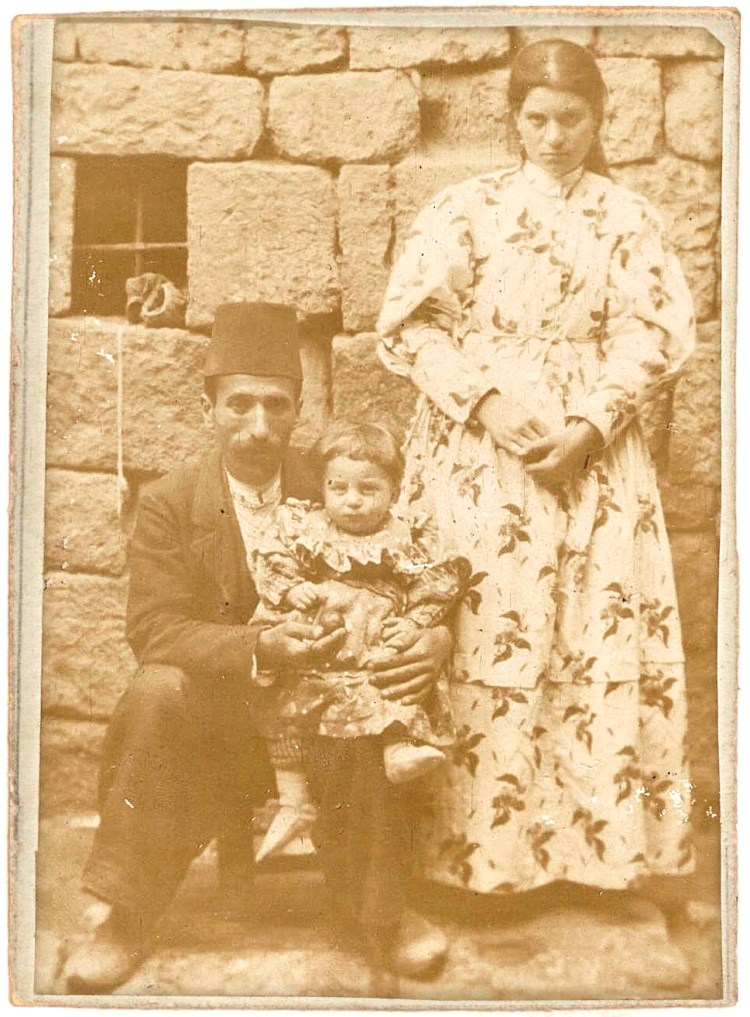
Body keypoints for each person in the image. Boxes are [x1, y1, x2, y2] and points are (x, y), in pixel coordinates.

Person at [376, 38, 696, 930]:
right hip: (480, 461)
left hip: (594, 462)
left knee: (586, 638)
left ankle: (596, 860)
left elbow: (656, 335)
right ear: (512, 118)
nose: (554, 136)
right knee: (485, 632)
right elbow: (409, 329)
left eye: (573, 118)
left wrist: (592, 423)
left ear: (599, 121)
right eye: (537, 117)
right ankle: (468, 863)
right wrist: (484, 401)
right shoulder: (465, 209)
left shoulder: (628, 218)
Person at [63, 302, 452, 993]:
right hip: (218, 723)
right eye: (239, 405)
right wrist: (263, 643)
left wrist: (434, 631)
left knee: (368, 694)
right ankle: (127, 913)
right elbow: (155, 629)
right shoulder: (173, 501)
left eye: (278, 405)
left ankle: (383, 914)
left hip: (323, 715)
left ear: (301, 408)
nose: (259, 427)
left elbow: (411, 564)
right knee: (155, 688)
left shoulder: (337, 480)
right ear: (206, 404)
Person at [250, 421, 471, 862]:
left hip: (372, 640)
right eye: (339, 488)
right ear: (323, 488)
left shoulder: (403, 536)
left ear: (393, 491)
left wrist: (414, 623)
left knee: (392, 677)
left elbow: (434, 583)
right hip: (319, 642)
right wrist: (294, 590)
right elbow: (272, 560)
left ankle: (396, 748)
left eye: (368, 489)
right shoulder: (304, 528)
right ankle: (293, 802)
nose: (352, 500)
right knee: (282, 702)